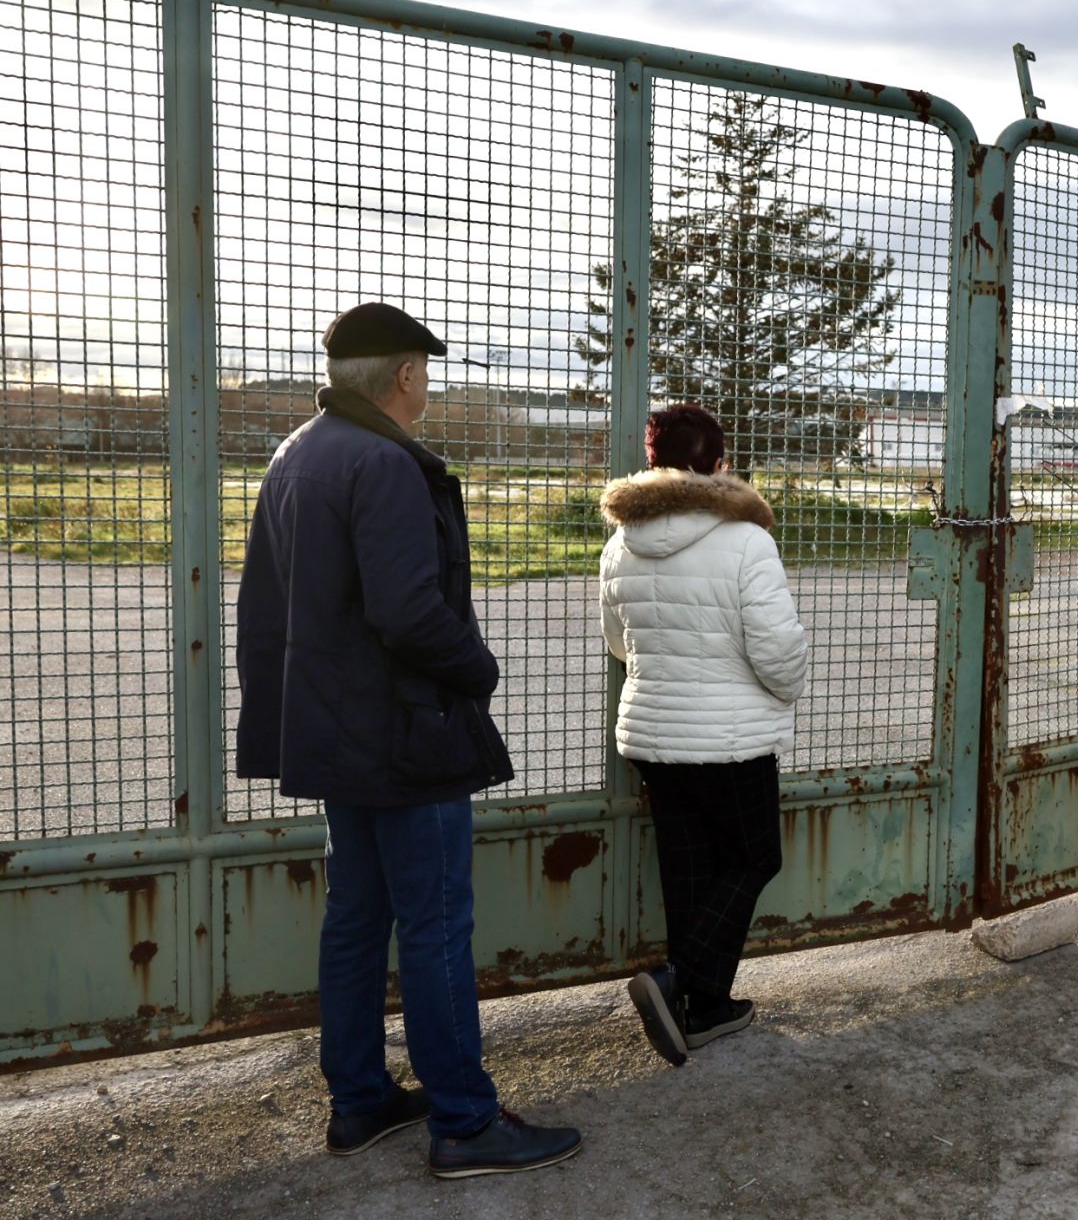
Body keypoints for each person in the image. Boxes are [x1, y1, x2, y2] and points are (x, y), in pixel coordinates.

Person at [235, 302, 582, 1177]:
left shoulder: (296, 453)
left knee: (356, 917)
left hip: (335, 728)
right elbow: (407, 611)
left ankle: (358, 1101)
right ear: (403, 376)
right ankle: (465, 1121)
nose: (429, 383)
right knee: (433, 924)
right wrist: (479, 669)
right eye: (425, 370)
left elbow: (272, 609)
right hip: (404, 729)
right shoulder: (384, 461)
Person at [598, 404, 809, 1066]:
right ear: (719, 466)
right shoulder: (746, 540)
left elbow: (617, 643)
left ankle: (706, 1008)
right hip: (730, 740)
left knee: (688, 872)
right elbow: (777, 651)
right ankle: (678, 981)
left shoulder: (620, 541)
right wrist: (788, 683)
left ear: (653, 463)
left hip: (654, 736)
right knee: (753, 859)